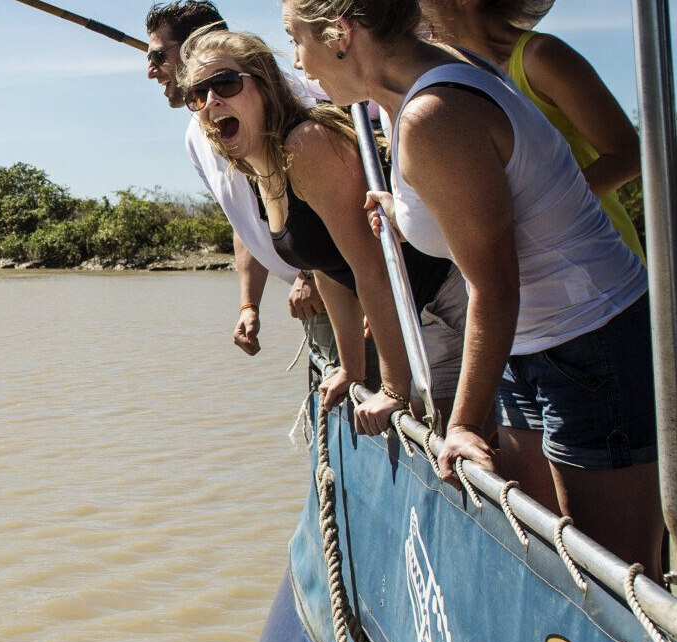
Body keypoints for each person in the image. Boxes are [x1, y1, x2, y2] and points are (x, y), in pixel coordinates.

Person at [420, 0, 677, 628]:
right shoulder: (449, 78)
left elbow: (627, 152)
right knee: (649, 429)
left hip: (590, 274)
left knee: (647, 431)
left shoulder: (538, 58)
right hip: (533, 298)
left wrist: (539, 199)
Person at [280, 0, 663, 572]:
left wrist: (458, 426)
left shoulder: (432, 114)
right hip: (532, 345)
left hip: (591, 336)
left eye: (297, 39)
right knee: (552, 549)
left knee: (616, 576)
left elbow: (495, 285)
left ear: (341, 33)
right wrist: (403, 212)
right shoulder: (420, 89)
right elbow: (477, 195)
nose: (298, 62)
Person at [180, 30, 469, 435]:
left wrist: (393, 389)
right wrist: (351, 369)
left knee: (443, 443)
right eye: (198, 94)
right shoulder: (260, 168)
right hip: (414, 310)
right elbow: (326, 267)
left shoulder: (306, 144)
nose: (212, 101)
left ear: (264, 85)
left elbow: (371, 267)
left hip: (446, 297)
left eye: (225, 83)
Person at [146, 2, 327, 357]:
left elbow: (340, 195)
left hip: (343, 285)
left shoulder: (283, 99)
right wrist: (249, 305)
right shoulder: (196, 134)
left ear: (196, 45)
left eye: (157, 57)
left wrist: (315, 274)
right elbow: (244, 220)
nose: (151, 71)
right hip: (310, 299)